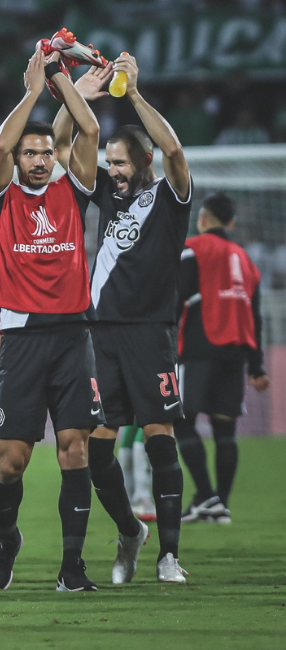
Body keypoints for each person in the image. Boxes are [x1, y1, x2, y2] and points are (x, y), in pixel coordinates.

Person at [53, 52, 192, 584]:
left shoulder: (169, 197)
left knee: (160, 437)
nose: (112, 171)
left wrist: (131, 92)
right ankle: (131, 532)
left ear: (144, 163)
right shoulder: (108, 201)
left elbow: (175, 149)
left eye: (120, 162)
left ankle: (169, 556)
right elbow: (64, 148)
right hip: (100, 335)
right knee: (97, 450)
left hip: (150, 333)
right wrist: (77, 93)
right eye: (108, 161)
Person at [0, 47, 103, 592]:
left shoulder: (70, 192)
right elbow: (0, 144)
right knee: (11, 462)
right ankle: (7, 537)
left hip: (74, 333)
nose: (36, 159)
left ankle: (72, 568)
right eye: (29, 153)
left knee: (76, 446)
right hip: (23, 338)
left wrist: (61, 75)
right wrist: (38, 84)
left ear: (54, 156)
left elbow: (91, 130)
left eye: (44, 152)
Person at [175, 193, 268, 524]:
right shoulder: (246, 260)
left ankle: (207, 495)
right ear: (231, 223)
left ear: (202, 219)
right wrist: (256, 366)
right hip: (236, 352)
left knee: (181, 422)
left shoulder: (194, 248)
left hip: (200, 347)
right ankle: (220, 505)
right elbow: (255, 317)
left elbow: (178, 297)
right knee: (225, 431)